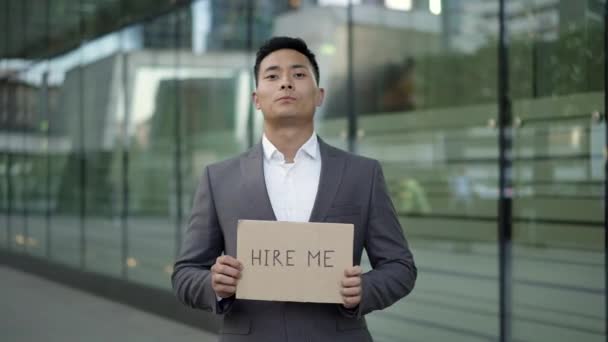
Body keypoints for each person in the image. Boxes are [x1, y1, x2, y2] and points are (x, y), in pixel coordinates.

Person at [172, 36, 417, 342]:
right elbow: (185, 274)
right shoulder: (218, 178)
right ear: (256, 98)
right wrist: (214, 284)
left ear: (319, 95)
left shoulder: (362, 174)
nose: (286, 83)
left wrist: (365, 290)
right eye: (272, 76)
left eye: (299, 74)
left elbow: (400, 266)